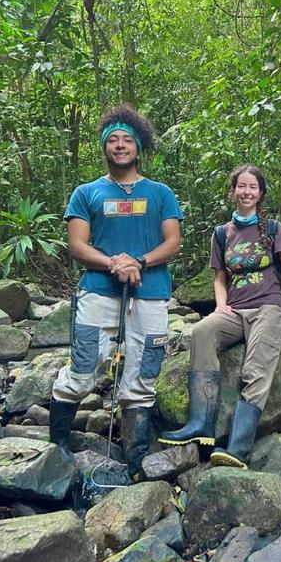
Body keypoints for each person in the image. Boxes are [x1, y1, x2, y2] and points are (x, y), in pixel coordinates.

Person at [49, 103, 183, 478]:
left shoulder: (160, 193)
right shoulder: (86, 192)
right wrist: (114, 264)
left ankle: (136, 457)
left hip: (151, 292)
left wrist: (138, 262)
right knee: (83, 368)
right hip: (98, 291)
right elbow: (77, 246)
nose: (120, 145)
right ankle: (57, 446)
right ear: (105, 147)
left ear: (139, 148)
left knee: (143, 373)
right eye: (113, 140)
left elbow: (172, 242)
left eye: (127, 140)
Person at [159, 164, 281, 468]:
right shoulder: (221, 234)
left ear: (260, 193)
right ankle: (200, 425)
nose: (246, 192)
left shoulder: (273, 228)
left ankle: (238, 449)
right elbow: (220, 278)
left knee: (254, 367)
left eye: (253, 187)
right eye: (241, 187)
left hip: (269, 306)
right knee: (202, 332)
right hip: (236, 308)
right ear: (233, 192)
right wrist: (221, 306)